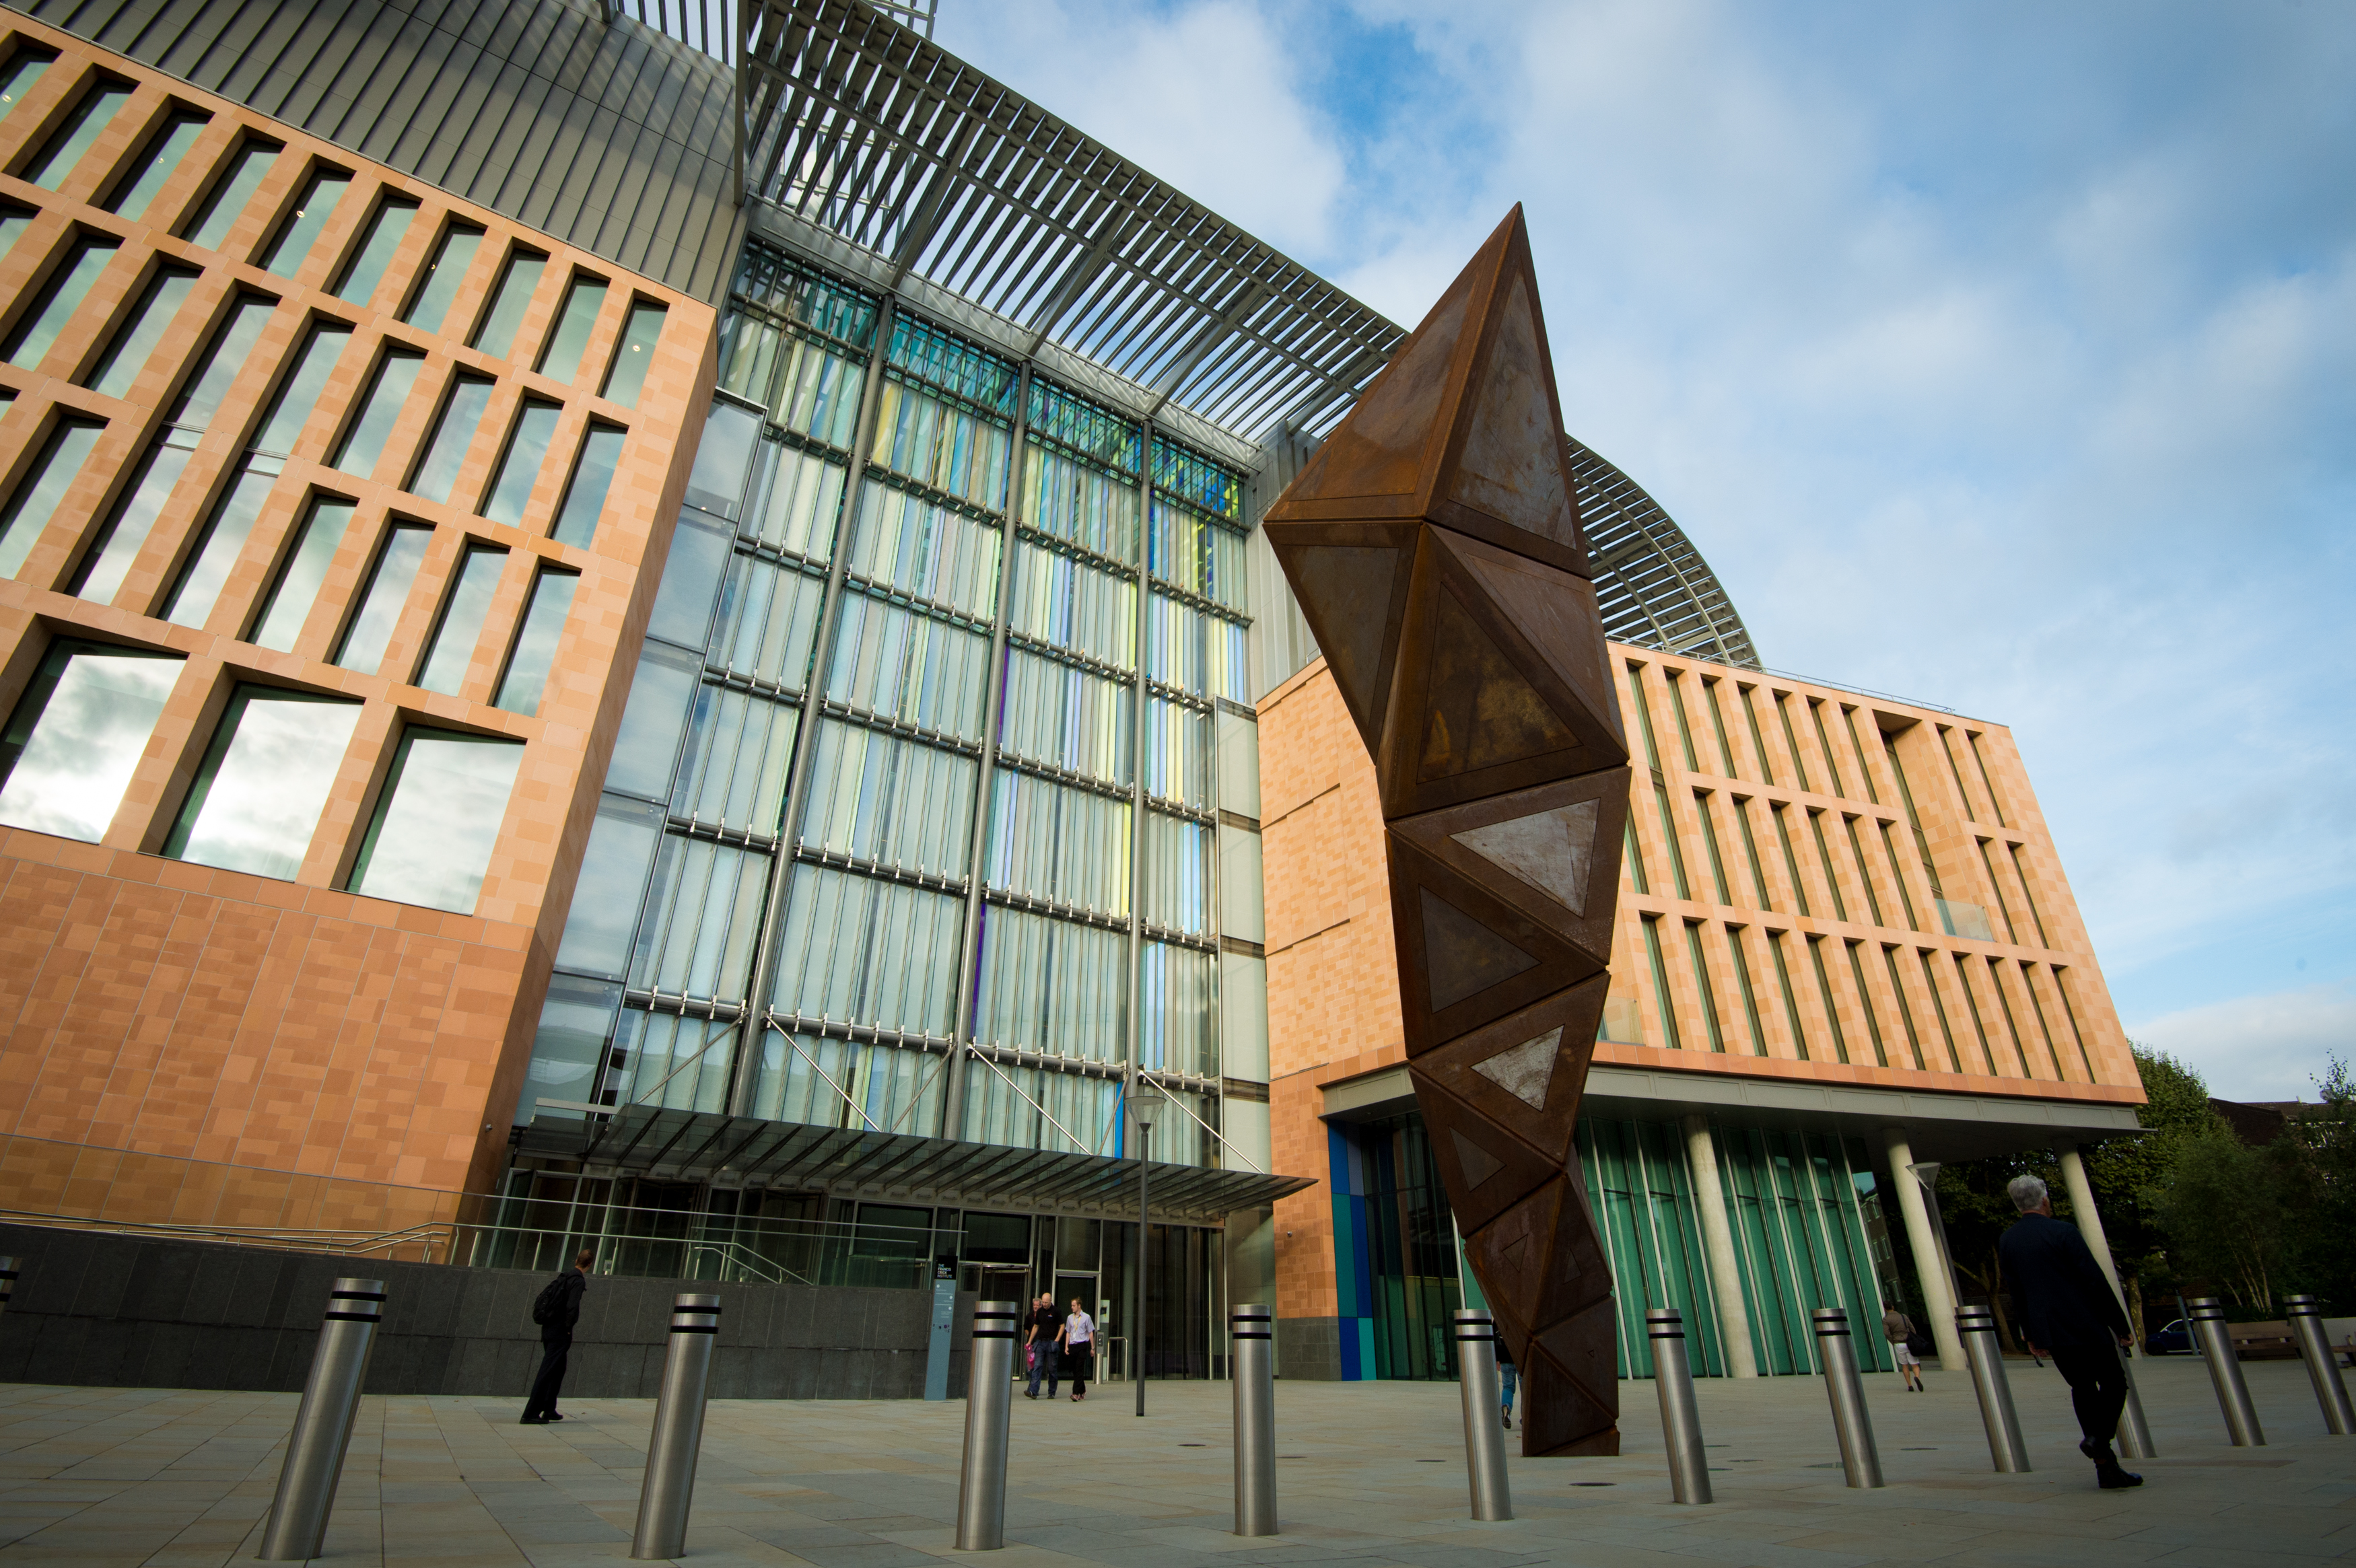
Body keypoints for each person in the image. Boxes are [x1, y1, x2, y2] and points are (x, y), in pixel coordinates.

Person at [1996, 1174, 2143, 1490]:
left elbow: (2016, 1291)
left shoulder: (2008, 1240)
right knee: (2115, 1383)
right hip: (2085, 1322)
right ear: (2044, 1200)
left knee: (2083, 1388)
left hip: (2051, 1330)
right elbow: (2094, 1280)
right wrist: (2120, 1324)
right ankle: (2098, 1439)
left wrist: (2030, 1333)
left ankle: (2107, 1469)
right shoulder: (2063, 1232)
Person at [521, 1248, 592, 1425]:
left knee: (558, 1369)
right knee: (547, 1371)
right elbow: (572, 1307)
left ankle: (549, 1409)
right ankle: (530, 1413)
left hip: (548, 1329)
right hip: (560, 1331)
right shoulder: (577, 1281)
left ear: (577, 1260)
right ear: (590, 1265)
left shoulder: (564, 1277)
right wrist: (569, 1328)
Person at [1058, 1296, 1097, 1401]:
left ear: (1079, 1306)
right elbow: (1068, 1332)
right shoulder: (1070, 1318)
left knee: (1079, 1368)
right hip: (1073, 1345)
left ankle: (1075, 1393)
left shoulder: (1086, 1317)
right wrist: (1066, 1346)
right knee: (1074, 1370)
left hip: (1082, 1345)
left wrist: (1092, 1348)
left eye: (1074, 1306)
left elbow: (1091, 1333)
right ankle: (1082, 1389)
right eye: (1071, 1306)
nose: (1072, 1308)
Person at [1024, 1293, 1060, 1399]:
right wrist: (1030, 1341)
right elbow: (1035, 1327)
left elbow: (1062, 1326)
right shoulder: (1040, 1312)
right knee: (1037, 1367)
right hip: (1040, 1342)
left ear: (1050, 1301)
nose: (1044, 1304)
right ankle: (1033, 1391)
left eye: (1046, 1302)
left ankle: (1052, 1392)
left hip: (1051, 1342)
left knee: (1052, 1368)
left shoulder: (1056, 1311)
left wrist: (1057, 1340)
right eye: (1043, 1302)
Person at [1883, 1304, 1925, 1392]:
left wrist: (1893, 1341)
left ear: (1885, 1309)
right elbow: (1912, 1328)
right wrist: (1914, 1338)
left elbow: (1886, 1333)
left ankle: (1910, 1386)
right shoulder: (1903, 1316)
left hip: (1898, 1343)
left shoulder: (1886, 1319)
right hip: (1909, 1342)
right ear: (1893, 1307)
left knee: (1904, 1365)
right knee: (1915, 1364)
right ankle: (1917, 1377)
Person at [1496, 1339, 1519, 1430]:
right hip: (1520, 1358)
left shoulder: (1498, 1325)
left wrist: (1497, 1359)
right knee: (1525, 1389)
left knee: (1508, 1387)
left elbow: (1495, 1340)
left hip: (1505, 1359)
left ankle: (1506, 1406)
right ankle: (1525, 1418)